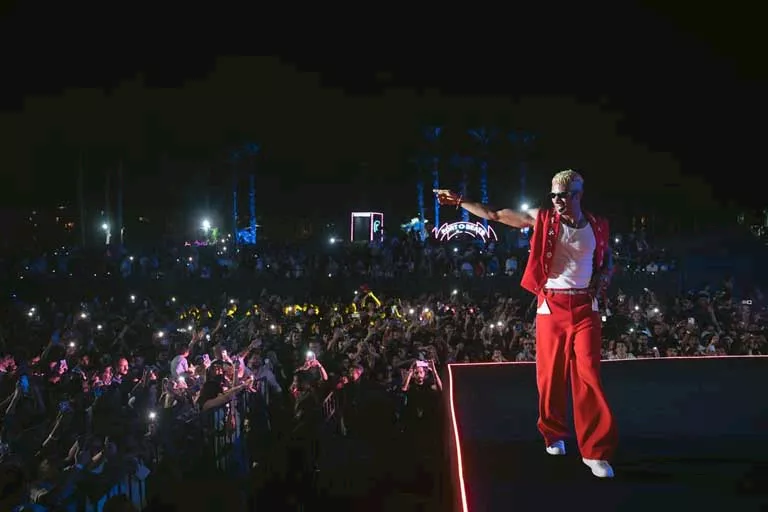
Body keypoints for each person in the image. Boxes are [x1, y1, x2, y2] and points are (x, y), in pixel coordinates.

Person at [434, 169, 618, 478]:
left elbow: (607, 257)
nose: (557, 200)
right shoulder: (542, 218)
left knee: (589, 376)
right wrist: (461, 201)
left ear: (578, 195)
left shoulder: (597, 225)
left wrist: (606, 275)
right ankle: (553, 433)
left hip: (587, 306)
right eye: (553, 195)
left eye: (563, 195)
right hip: (552, 305)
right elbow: (494, 214)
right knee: (550, 374)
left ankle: (595, 451)